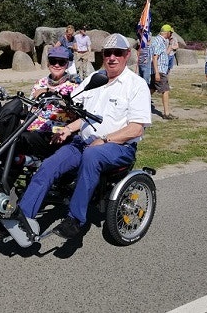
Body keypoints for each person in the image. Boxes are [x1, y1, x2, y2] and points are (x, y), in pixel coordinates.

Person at [18, 33, 152, 239]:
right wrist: (68, 129)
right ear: (102, 55)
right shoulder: (94, 79)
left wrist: (105, 140)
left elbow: (136, 129)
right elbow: (82, 115)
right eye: (108, 53)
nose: (112, 58)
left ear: (127, 55)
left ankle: (74, 220)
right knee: (49, 165)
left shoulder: (136, 85)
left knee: (92, 156)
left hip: (119, 147)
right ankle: (23, 218)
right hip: (84, 142)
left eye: (118, 53)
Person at [15, 46, 80, 159]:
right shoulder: (40, 83)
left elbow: (76, 114)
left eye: (61, 62)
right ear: (48, 63)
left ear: (67, 64)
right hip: (33, 127)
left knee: (25, 138)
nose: (57, 65)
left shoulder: (74, 87)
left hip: (56, 133)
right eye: (53, 61)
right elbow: (31, 107)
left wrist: (49, 91)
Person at [150, 24, 177, 119]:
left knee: (151, 89)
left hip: (159, 70)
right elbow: (155, 57)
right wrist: (157, 72)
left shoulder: (161, 41)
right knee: (165, 90)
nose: (172, 34)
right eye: (171, 32)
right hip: (159, 70)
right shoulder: (158, 41)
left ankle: (137, 105)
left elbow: (164, 54)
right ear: (167, 32)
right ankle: (166, 113)